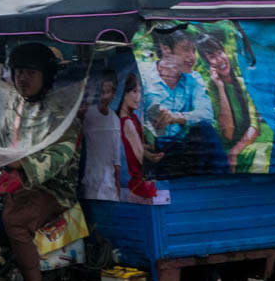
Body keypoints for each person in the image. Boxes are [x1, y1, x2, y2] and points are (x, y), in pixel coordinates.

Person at [0, 42, 83, 281]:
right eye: (19, 72)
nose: (23, 78)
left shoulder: (62, 113)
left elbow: (60, 156)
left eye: (31, 72)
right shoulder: (16, 110)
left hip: (55, 189)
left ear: (46, 76)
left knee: (15, 220)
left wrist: (21, 163)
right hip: (21, 184)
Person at [141, 28, 226, 175]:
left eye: (194, 51)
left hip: (182, 148)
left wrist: (176, 117)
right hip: (153, 149)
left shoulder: (194, 78)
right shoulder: (144, 75)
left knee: (205, 129)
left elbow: (206, 114)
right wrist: (137, 145)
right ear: (166, 49)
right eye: (186, 49)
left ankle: (222, 183)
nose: (192, 57)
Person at [197, 34, 273, 173]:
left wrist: (235, 152)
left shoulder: (243, 84)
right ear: (208, 65)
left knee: (266, 150)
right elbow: (228, 133)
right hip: (222, 150)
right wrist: (220, 88)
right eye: (212, 56)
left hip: (241, 146)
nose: (219, 59)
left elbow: (255, 127)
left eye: (220, 52)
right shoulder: (209, 89)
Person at [117, 70, 160, 200]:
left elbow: (144, 145)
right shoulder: (128, 123)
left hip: (143, 186)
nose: (138, 97)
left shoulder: (133, 117)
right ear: (124, 94)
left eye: (140, 92)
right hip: (141, 188)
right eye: (134, 91)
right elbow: (142, 158)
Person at [80, 69, 121, 201]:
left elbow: (116, 158)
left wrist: (117, 184)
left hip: (109, 184)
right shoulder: (88, 114)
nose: (104, 97)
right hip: (91, 180)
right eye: (101, 92)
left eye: (107, 92)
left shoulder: (115, 120)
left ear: (114, 93)